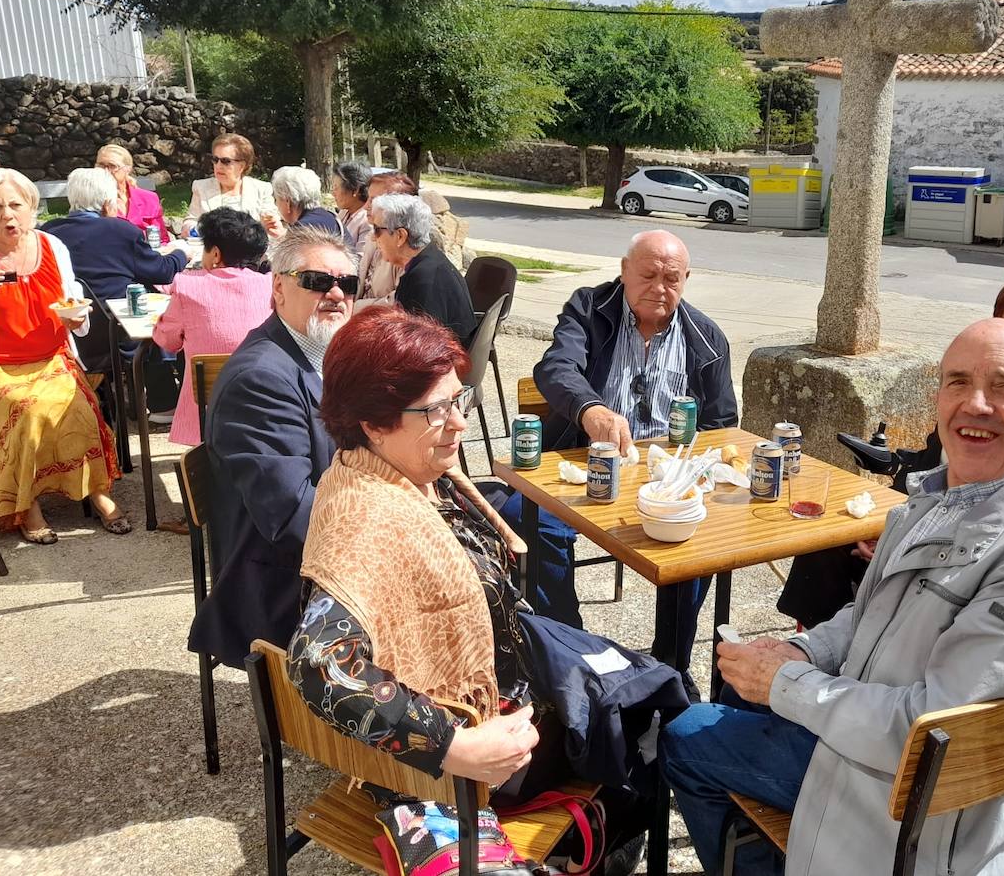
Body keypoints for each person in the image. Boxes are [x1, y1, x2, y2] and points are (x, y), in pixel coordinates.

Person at [661, 319, 1004, 876]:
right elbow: (873, 611)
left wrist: (789, 685)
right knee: (737, 694)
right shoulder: (950, 493)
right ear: (936, 400)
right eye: (958, 382)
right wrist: (808, 655)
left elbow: (930, 737)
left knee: (685, 736)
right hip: (873, 739)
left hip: (913, 814)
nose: (975, 404)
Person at [289, 308, 676, 871]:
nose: (460, 424)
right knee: (650, 729)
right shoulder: (368, 515)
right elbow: (319, 662)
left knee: (647, 704)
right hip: (469, 746)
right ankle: (585, 852)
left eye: (458, 401)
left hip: (498, 698)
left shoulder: (389, 472)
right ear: (373, 423)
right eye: (437, 409)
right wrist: (456, 746)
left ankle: (587, 849)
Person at [778, 259, 1004, 628]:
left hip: (974, 551)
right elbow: (925, 465)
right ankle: (815, 641)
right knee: (826, 534)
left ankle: (833, 659)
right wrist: (891, 524)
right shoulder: (973, 387)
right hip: (929, 519)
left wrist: (911, 538)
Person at [517, 230, 737, 678]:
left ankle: (669, 665)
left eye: (672, 278)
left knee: (698, 537)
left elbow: (721, 423)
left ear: (686, 280)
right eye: (648, 274)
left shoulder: (707, 339)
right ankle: (571, 651)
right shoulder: (588, 307)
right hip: (587, 463)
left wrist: (694, 472)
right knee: (533, 520)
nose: (659, 287)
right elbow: (555, 367)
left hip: (667, 478)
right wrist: (591, 409)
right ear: (624, 270)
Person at [187, 225, 356, 669]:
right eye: (318, 281)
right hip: (284, 586)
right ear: (278, 288)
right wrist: (386, 536)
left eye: (348, 284)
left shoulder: (318, 355)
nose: (337, 294)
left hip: (317, 556)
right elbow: (293, 517)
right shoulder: (261, 379)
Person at [0, 168, 127, 543]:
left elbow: (72, 301)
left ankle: (98, 493)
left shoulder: (52, 246)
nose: (8, 215)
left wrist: (77, 318)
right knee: (27, 411)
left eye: (16, 205)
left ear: (31, 207)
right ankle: (26, 506)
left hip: (52, 357)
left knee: (79, 407)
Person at [152, 207, 273, 446]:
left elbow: (167, 341)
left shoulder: (188, 287)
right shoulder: (272, 286)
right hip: (264, 401)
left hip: (206, 411)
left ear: (215, 254)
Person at [42, 168, 190, 306]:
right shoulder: (121, 231)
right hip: (117, 319)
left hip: (68, 315)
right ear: (107, 205)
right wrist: (181, 253)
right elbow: (162, 272)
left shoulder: (48, 232)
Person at [371, 192, 477, 347]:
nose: (373, 237)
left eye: (377, 230)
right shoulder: (429, 261)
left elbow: (420, 351)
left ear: (400, 236)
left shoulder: (424, 279)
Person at [183, 133, 277, 235]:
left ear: (242, 165)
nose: (218, 166)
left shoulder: (262, 189)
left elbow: (272, 225)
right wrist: (200, 231)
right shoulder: (201, 188)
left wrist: (268, 223)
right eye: (215, 160)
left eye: (225, 161)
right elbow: (189, 223)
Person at [354, 170, 411, 310]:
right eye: (368, 198)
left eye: (374, 200)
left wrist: (354, 308)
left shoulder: (406, 244)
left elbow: (397, 300)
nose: (366, 206)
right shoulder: (373, 234)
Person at [94, 144, 170, 242]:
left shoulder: (148, 198)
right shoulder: (92, 199)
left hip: (146, 254)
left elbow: (162, 239)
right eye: (101, 166)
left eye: (112, 166)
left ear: (127, 169)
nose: (105, 171)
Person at [271, 165, 344, 237]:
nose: (276, 204)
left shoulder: (301, 231)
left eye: (276, 200)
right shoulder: (329, 216)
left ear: (288, 202)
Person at [331, 159, 372, 253]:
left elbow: (360, 259)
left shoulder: (368, 220)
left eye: (336, 188)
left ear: (355, 190)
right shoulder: (344, 212)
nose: (333, 193)